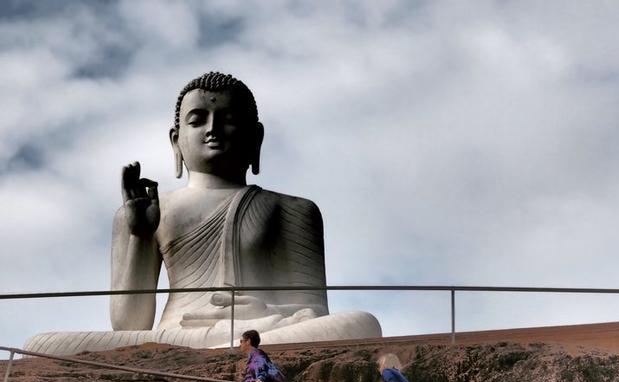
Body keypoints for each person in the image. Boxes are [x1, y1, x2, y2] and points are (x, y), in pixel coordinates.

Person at [25, 71, 380, 356]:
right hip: (177, 338)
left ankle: (234, 347)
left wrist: (263, 309)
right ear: (176, 140)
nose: (212, 129)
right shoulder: (147, 211)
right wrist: (139, 235)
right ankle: (228, 350)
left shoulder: (293, 209)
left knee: (361, 323)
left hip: (266, 329)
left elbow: (315, 312)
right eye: (198, 120)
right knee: (38, 345)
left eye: (226, 119)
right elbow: (127, 323)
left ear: (255, 138)